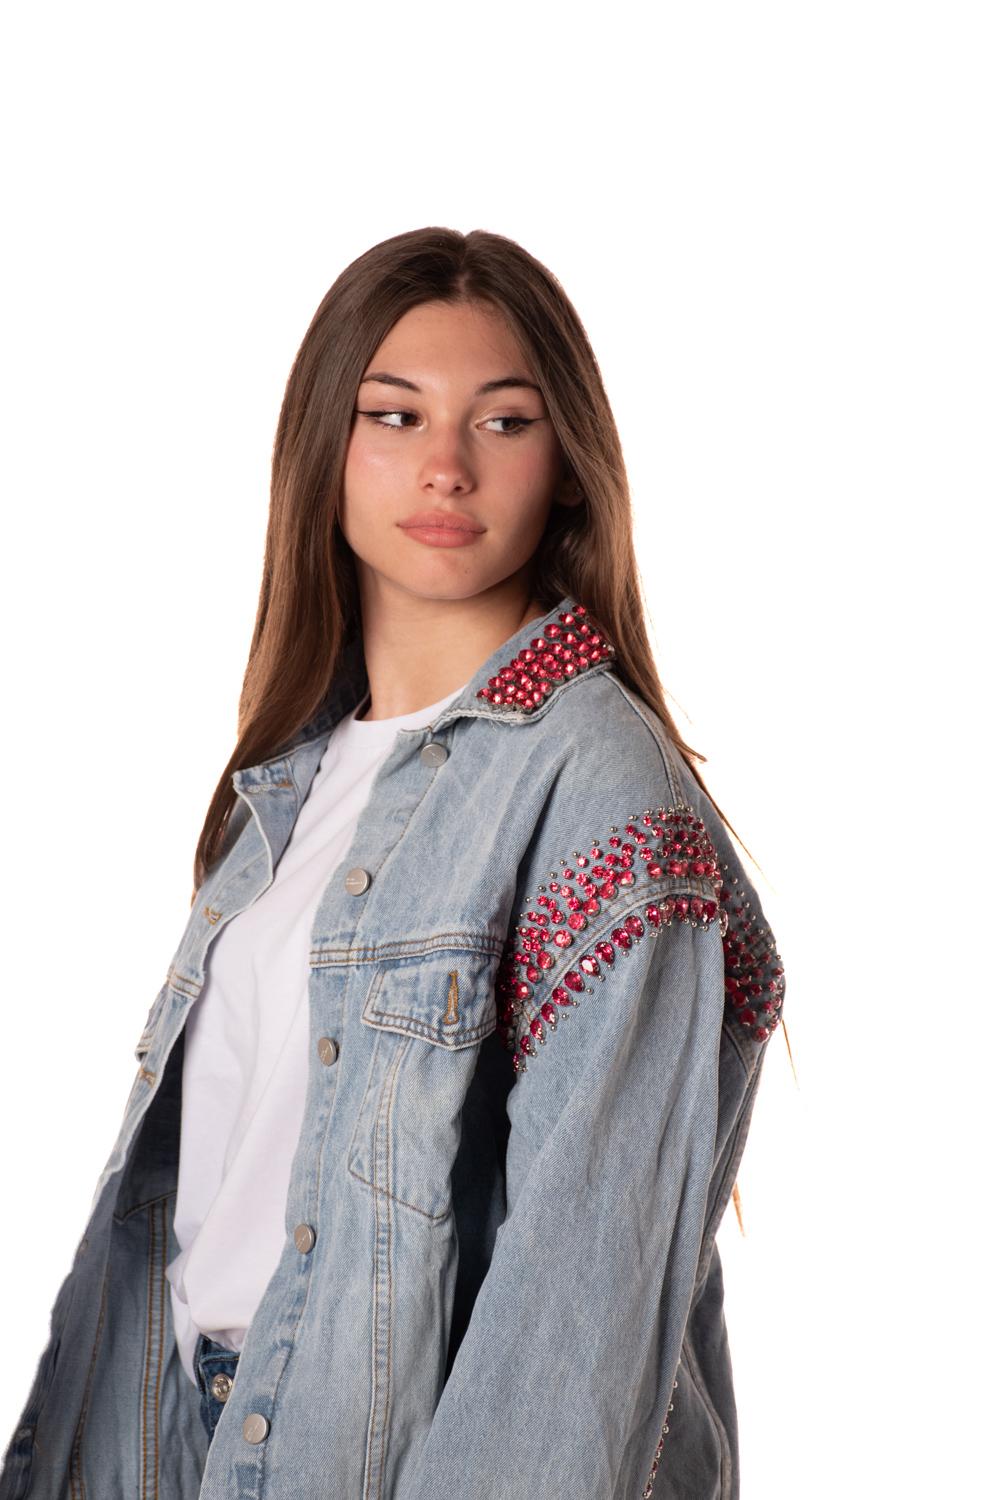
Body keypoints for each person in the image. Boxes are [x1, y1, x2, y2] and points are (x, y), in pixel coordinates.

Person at [0, 227, 787, 1500]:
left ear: (567, 468)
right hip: (183, 1437)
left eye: (504, 421)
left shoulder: (601, 792)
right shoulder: (289, 783)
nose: (445, 466)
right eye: (394, 414)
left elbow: (574, 1314)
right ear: (328, 449)